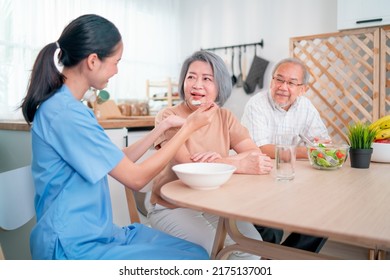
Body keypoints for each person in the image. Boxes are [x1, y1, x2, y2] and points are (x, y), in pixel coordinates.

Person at [20, 14, 218, 260]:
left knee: (194, 250)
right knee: (194, 259)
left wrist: (163, 127)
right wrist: (188, 128)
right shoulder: (65, 114)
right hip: (72, 246)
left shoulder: (72, 108)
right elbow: (135, 178)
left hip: (101, 234)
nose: (116, 70)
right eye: (116, 61)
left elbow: (116, 159)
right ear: (93, 61)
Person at [147, 50, 273, 260]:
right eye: (191, 77)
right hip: (171, 206)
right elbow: (188, 167)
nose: (197, 85)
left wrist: (222, 160)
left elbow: (254, 154)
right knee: (209, 249)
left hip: (215, 204)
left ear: (220, 86)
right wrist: (238, 164)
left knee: (253, 248)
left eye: (207, 79)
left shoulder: (225, 117)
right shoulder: (169, 117)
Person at [241, 57, 329, 253]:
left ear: (302, 89)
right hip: (256, 181)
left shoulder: (305, 107)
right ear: (271, 81)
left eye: (291, 83)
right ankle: (271, 260)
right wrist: (308, 151)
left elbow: (322, 143)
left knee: (322, 220)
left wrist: (315, 148)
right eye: (279, 80)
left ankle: (285, 262)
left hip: (290, 180)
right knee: (271, 228)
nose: (282, 87)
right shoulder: (257, 104)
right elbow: (262, 148)